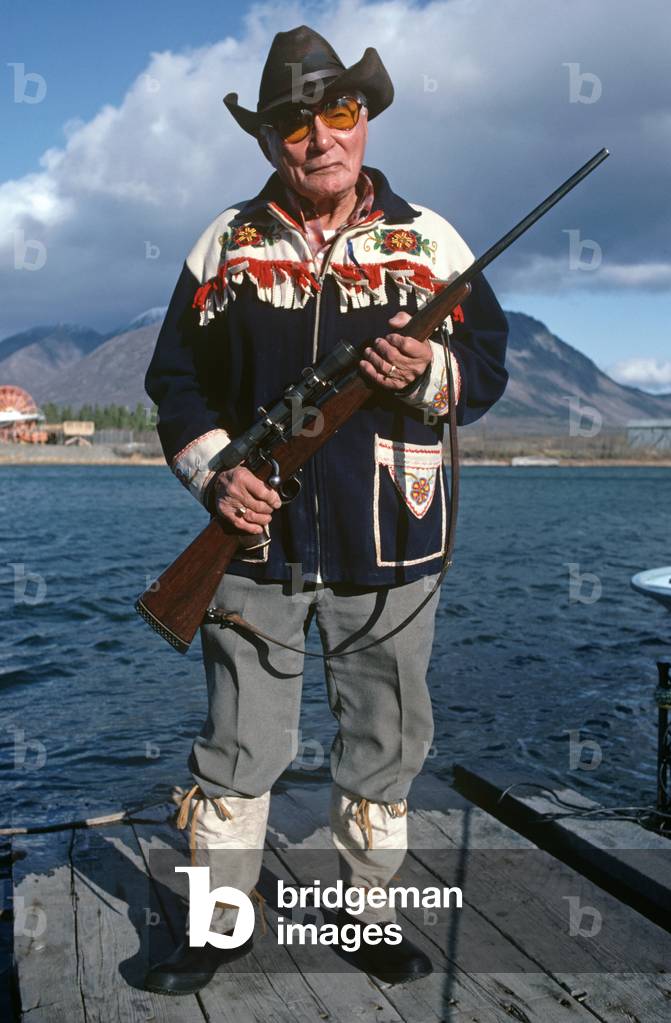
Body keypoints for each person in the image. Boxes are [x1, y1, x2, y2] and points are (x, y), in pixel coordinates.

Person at [143, 25, 508, 994]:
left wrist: (427, 369)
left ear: (365, 117)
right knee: (235, 749)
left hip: (395, 542)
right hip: (252, 546)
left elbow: (486, 371)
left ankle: (366, 913)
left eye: (336, 112)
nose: (318, 137)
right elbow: (176, 384)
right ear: (268, 140)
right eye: (294, 121)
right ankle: (218, 926)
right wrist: (219, 475)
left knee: (383, 745)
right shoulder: (223, 242)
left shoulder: (430, 240)